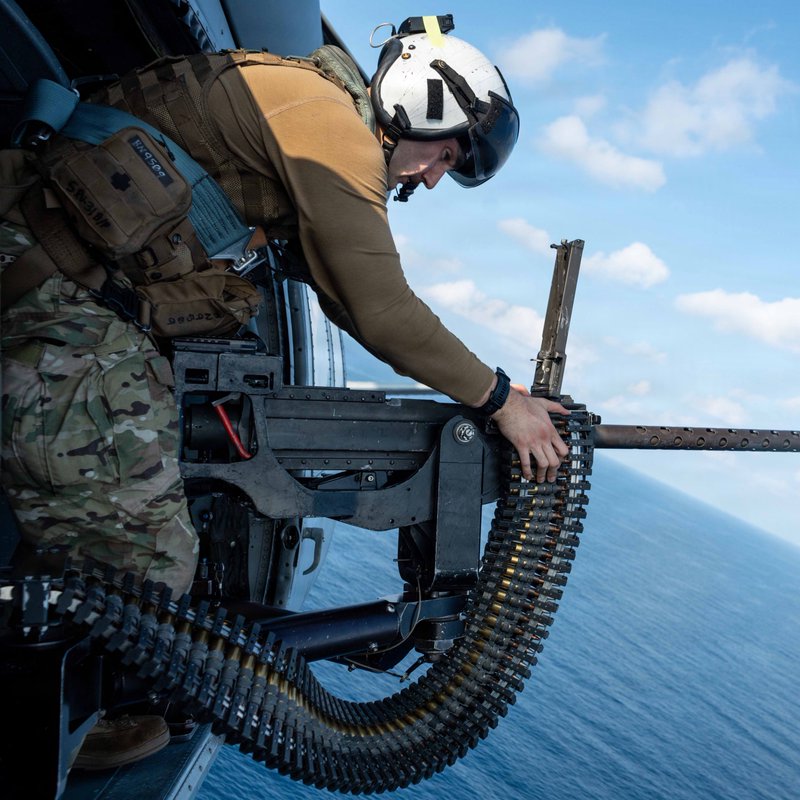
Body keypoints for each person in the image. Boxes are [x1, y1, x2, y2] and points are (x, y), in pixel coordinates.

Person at [0, 16, 565, 768]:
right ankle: (44, 722)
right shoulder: (330, 132)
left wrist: (499, 393)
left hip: (52, 273)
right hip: (48, 285)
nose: (432, 177)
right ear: (418, 105)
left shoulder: (304, 108)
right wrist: (502, 403)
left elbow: (338, 290)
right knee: (145, 560)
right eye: (445, 154)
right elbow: (380, 309)